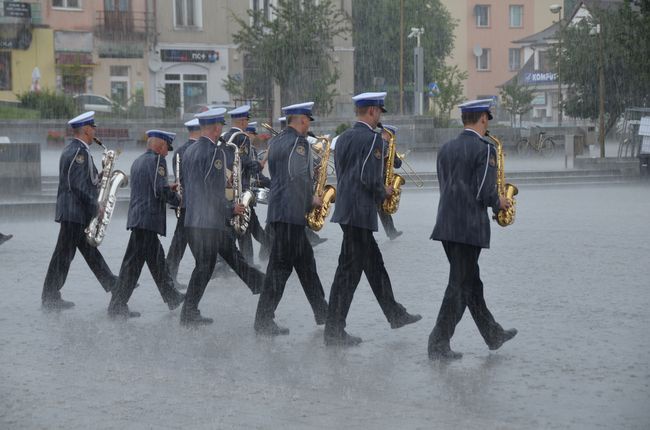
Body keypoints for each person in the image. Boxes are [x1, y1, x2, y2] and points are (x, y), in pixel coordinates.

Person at [324, 92, 421, 346]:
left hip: (348, 210)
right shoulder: (374, 141)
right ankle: (334, 331)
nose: (380, 117)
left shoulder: (343, 138)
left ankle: (394, 313)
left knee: (373, 267)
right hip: (360, 213)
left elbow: (346, 173)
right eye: (379, 112)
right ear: (371, 112)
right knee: (348, 274)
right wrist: (383, 190)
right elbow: (367, 177)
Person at [428, 99, 517, 360]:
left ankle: (493, 334)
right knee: (458, 286)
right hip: (468, 229)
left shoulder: (446, 148)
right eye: (487, 119)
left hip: (446, 225)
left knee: (470, 284)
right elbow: (483, 192)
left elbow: (446, 184)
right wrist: (499, 200)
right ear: (482, 119)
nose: (488, 123)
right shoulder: (484, 150)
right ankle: (438, 342)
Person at [180, 108, 265, 326]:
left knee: (218, 261)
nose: (221, 130)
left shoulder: (190, 151)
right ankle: (263, 287)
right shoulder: (214, 152)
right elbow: (212, 190)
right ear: (217, 127)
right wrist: (230, 209)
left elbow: (195, 185)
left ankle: (259, 285)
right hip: (209, 222)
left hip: (194, 221)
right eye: (221, 126)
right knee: (211, 265)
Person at [254, 102, 329, 336]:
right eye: (307, 121)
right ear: (302, 120)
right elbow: (296, 177)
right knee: (279, 270)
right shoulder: (299, 144)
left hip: (280, 212)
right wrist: (312, 199)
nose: (308, 126)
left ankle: (323, 312)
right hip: (291, 214)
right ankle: (263, 321)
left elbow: (282, 174)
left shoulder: (275, 141)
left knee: (306, 265)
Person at [42, 111, 118, 310]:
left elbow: (82, 181)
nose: (95, 132)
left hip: (73, 211)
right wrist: (96, 205)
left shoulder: (75, 150)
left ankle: (112, 283)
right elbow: (76, 185)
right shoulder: (79, 153)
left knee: (83, 251)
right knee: (64, 255)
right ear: (85, 129)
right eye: (93, 128)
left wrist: (102, 176)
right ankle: (50, 297)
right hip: (74, 211)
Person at [107, 130, 185, 318]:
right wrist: (179, 200)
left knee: (156, 261)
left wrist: (167, 187)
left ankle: (171, 296)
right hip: (148, 220)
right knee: (131, 268)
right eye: (166, 147)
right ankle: (116, 306)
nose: (167, 152)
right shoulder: (159, 161)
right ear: (159, 146)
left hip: (138, 218)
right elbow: (159, 191)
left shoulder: (138, 161)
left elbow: (149, 188)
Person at [223, 106, 269, 265]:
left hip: (229, 189)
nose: (246, 123)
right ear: (242, 121)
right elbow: (244, 161)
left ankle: (246, 261)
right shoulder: (242, 137)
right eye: (246, 120)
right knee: (246, 226)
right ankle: (243, 261)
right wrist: (258, 165)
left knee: (245, 227)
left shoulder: (225, 136)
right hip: (241, 188)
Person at [166, 118, 201, 289]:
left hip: (184, 200)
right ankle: (169, 276)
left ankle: (170, 275)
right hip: (196, 202)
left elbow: (179, 177)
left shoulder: (180, 151)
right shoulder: (200, 149)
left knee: (183, 239)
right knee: (183, 240)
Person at [378, 124, 403, 240]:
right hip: (377, 179)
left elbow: (398, 164)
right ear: (387, 133)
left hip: (386, 179)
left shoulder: (390, 145)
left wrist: (394, 155)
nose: (393, 138)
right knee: (374, 207)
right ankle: (367, 235)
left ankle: (391, 232)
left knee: (383, 207)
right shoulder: (378, 143)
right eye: (392, 135)